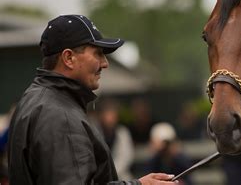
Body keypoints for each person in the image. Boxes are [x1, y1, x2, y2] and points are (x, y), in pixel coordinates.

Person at [7, 14, 175, 185]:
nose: (105, 63)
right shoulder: (60, 116)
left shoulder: (36, 99)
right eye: (98, 53)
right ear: (69, 58)